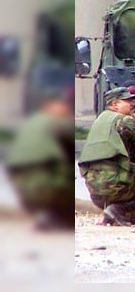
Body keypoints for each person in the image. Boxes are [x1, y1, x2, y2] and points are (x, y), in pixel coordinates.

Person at [78, 86, 135, 226]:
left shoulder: (100, 121)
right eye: (127, 101)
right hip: (114, 186)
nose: (132, 104)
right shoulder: (124, 121)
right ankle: (117, 209)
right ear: (115, 104)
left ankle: (112, 213)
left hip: (95, 190)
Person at [5, 87, 75, 230]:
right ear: (49, 106)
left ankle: (46, 213)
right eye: (64, 105)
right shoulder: (58, 122)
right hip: (45, 187)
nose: (67, 108)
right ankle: (52, 215)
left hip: (22, 190)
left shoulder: (30, 122)